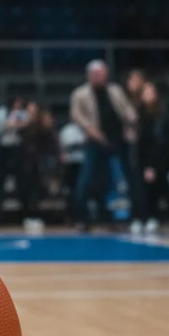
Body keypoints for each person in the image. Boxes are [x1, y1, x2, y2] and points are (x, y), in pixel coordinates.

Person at [71, 60, 137, 231]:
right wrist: (93, 132)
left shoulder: (115, 90)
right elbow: (77, 116)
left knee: (116, 180)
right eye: (99, 74)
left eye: (104, 73)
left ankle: (115, 218)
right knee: (86, 180)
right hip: (94, 141)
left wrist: (131, 124)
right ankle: (82, 218)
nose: (103, 77)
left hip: (117, 140)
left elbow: (128, 110)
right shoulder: (80, 94)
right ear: (91, 75)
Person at [130, 82, 163, 234]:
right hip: (139, 156)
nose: (149, 95)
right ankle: (138, 217)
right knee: (138, 189)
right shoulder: (138, 113)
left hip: (153, 156)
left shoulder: (158, 115)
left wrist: (152, 165)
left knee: (151, 189)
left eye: (152, 91)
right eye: (146, 92)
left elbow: (157, 142)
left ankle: (152, 217)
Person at [0, 96, 28, 227]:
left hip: (16, 150)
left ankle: (23, 216)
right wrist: (17, 124)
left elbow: (27, 123)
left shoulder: (22, 113)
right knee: (0, 184)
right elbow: (4, 126)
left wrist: (16, 124)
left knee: (21, 183)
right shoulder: (2, 111)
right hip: (2, 151)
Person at [21, 106, 59, 235]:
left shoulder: (47, 132)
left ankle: (40, 216)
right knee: (30, 192)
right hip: (30, 165)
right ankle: (30, 216)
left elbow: (52, 148)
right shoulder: (28, 129)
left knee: (40, 192)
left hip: (43, 165)